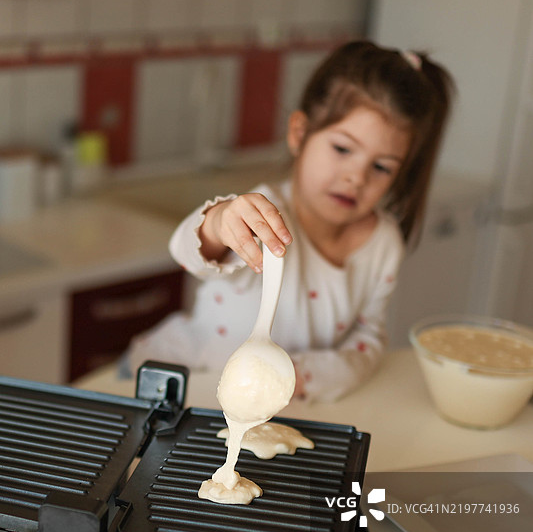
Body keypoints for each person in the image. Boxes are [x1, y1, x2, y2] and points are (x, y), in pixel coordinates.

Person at [126, 40, 455, 402]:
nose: (356, 177)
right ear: (300, 133)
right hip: (180, 380)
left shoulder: (383, 244)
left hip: (275, 405)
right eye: (342, 149)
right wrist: (219, 222)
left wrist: (301, 376)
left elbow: (368, 340)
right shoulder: (263, 213)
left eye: (381, 167)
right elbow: (189, 252)